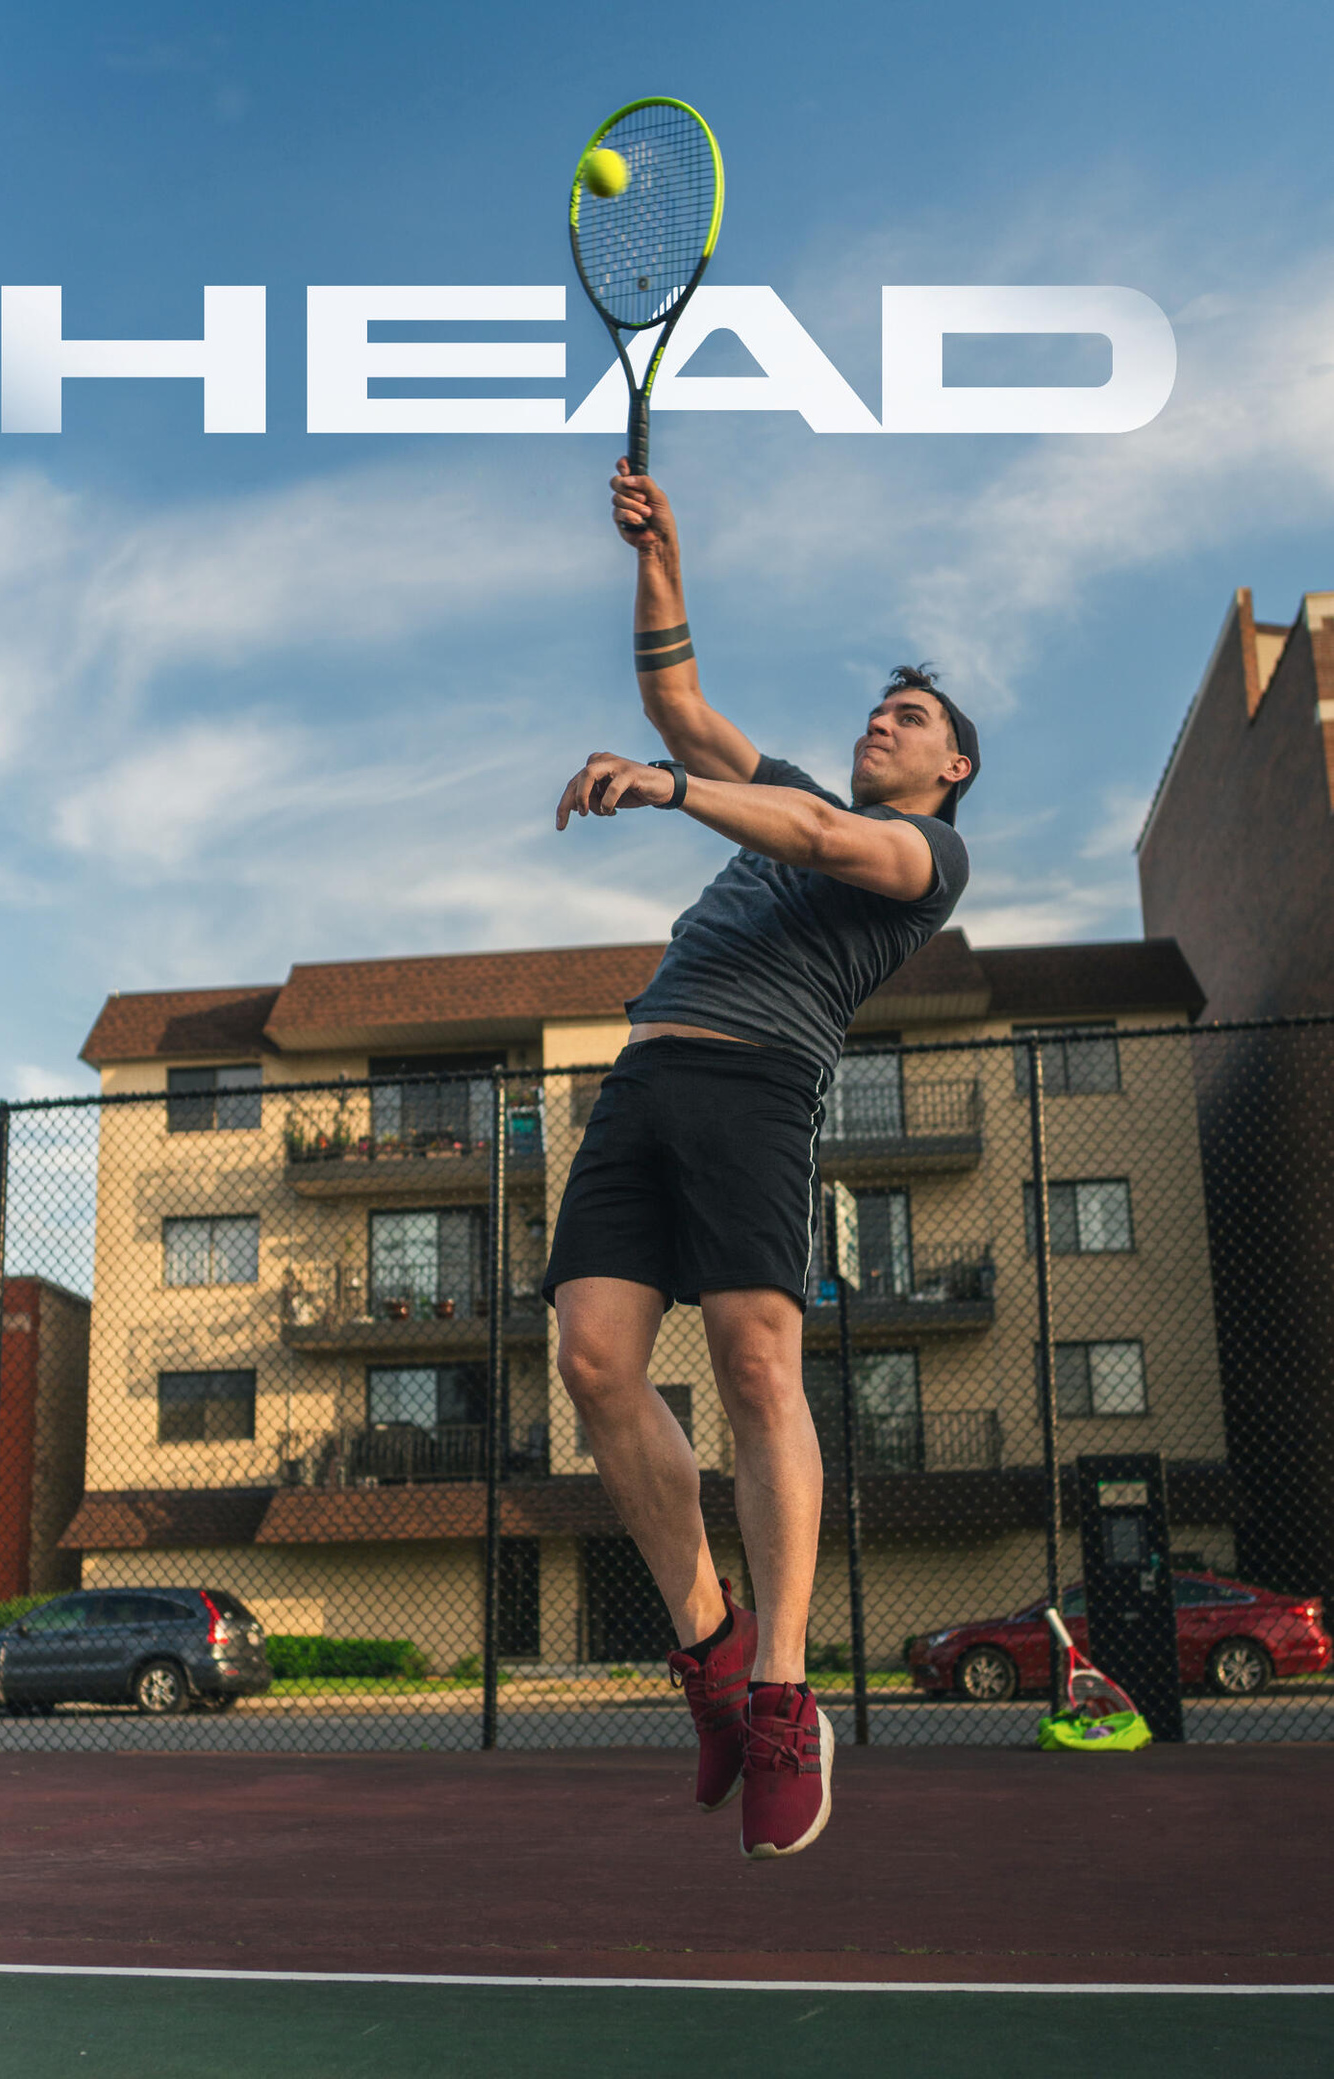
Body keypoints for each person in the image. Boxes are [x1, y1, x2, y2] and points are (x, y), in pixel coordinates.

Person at [544, 460, 979, 1861]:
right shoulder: (781, 789)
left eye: (909, 718)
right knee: (594, 1363)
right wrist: (658, 554)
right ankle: (712, 1651)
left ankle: (786, 1692)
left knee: (752, 1364)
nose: (880, 722)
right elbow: (677, 701)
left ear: (951, 769)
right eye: (877, 708)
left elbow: (811, 830)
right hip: (644, 1079)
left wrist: (672, 790)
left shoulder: (922, 856)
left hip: (757, 1088)